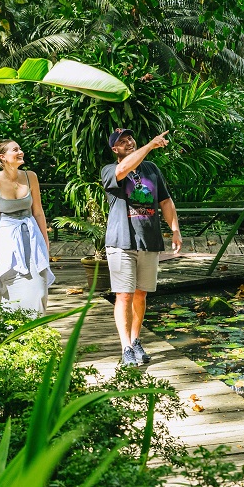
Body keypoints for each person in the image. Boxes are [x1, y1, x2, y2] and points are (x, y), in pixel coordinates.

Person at [102, 127, 182, 366]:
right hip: (121, 242)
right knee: (124, 295)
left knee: (140, 294)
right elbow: (123, 169)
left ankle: (136, 340)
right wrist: (150, 146)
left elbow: (165, 201)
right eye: (122, 141)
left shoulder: (152, 170)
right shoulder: (109, 170)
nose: (129, 142)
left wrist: (175, 230)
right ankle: (125, 346)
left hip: (148, 240)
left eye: (130, 138)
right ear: (114, 149)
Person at [0, 140, 55, 315]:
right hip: (6, 241)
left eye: (20, 148)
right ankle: (13, 336)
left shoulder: (31, 177)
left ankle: (37, 334)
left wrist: (45, 243)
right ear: (2, 157)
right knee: (12, 293)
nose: (20, 152)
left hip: (32, 236)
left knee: (39, 291)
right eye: (15, 150)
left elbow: (38, 213)